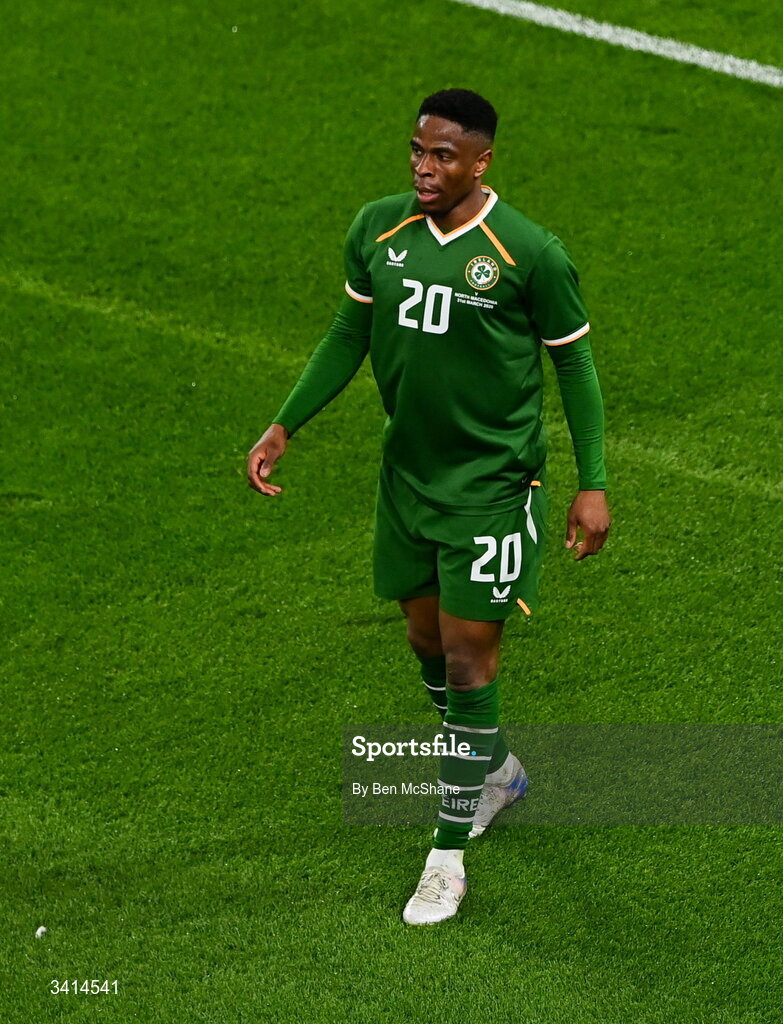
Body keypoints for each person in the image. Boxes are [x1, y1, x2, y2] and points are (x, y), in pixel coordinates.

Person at [247, 89, 610, 925]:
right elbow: (348, 332)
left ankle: (446, 858)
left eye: (443, 155)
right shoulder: (379, 228)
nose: (423, 166)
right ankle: (496, 772)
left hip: (490, 489)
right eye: (417, 150)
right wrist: (284, 423)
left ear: (481, 162)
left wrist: (591, 482)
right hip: (406, 480)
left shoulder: (528, 253)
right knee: (423, 642)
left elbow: (574, 365)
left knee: (467, 662)